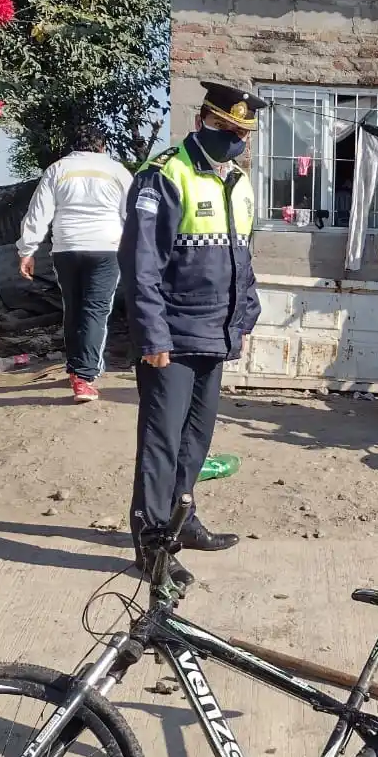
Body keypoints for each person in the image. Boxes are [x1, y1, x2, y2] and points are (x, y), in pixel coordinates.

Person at [119, 81, 263, 584]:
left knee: (196, 439)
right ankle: (152, 544)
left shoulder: (238, 182)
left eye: (243, 132)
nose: (236, 139)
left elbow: (242, 257)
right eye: (227, 128)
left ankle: (183, 519)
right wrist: (152, 336)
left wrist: (245, 316)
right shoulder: (164, 174)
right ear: (202, 120)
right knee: (161, 443)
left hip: (214, 333)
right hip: (173, 335)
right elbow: (141, 265)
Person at [16, 126, 133, 403]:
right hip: (105, 248)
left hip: (66, 248)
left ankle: (76, 369)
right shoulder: (117, 170)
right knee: (96, 310)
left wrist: (27, 250)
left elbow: (38, 212)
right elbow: (132, 213)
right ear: (102, 147)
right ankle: (85, 376)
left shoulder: (58, 169)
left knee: (74, 308)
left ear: (74, 146)